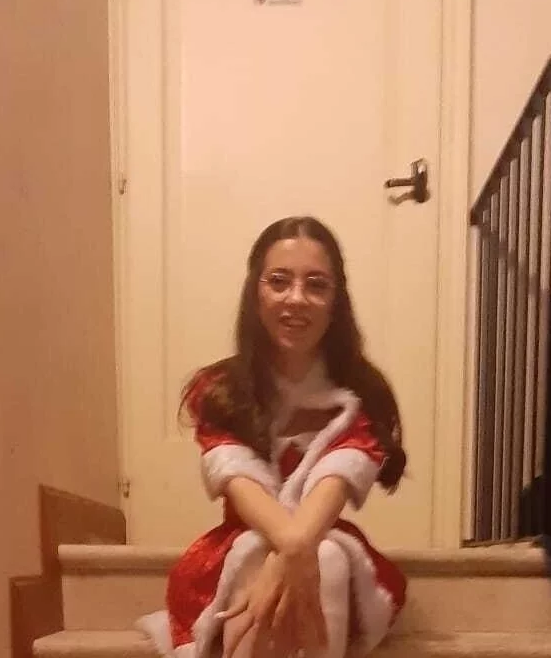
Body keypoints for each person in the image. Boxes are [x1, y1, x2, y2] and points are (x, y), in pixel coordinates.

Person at [137, 216, 408, 658]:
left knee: (325, 556)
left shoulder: (361, 393)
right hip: (238, 545)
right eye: (279, 281)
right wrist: (286, 555)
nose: (296, 298)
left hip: (323, 543)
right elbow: (243, 489)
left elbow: (327, 497)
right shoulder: (220, 389)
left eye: (316, 285)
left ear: (336, 301)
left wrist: (287, 559)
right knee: (254, 549)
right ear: (255, 292)